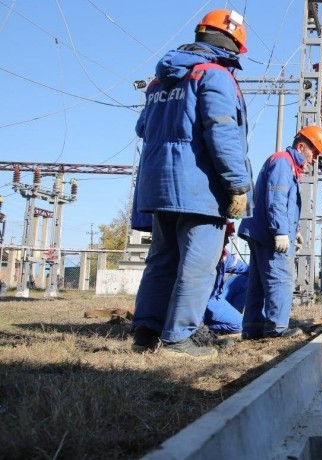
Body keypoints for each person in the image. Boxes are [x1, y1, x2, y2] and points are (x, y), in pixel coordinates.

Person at [130, 9, 253, 358]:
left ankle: (146, 333)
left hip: (159, 186)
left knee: (162, 260)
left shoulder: (161, 80)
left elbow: (143, 129)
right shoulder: (214, 75)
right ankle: (178, 339)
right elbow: (222, 132)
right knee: (198, 265)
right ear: (230, 43)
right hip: (199, 188)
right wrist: (237, 185)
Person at [238, 125, 322, 339]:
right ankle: (276, 329)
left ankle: (252, 328)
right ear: (301, 146)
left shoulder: (285, 164)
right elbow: (276, 200)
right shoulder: (283, 163)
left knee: (258, 282)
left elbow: (282, 204)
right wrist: (280, 231)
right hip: (269, 234)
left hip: (260, 231)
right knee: (280, 278)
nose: (315, 159)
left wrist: (293, 231)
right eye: (314, 153)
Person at [204, 221, 249, 338]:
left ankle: (230, 315)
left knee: (244, 279)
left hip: (214, 296)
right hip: (202, 299)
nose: (228, 242)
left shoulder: (224, 256)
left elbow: (245, 269)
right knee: (242, 325)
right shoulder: (203, 255)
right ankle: (203, 329)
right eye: (225, 237)